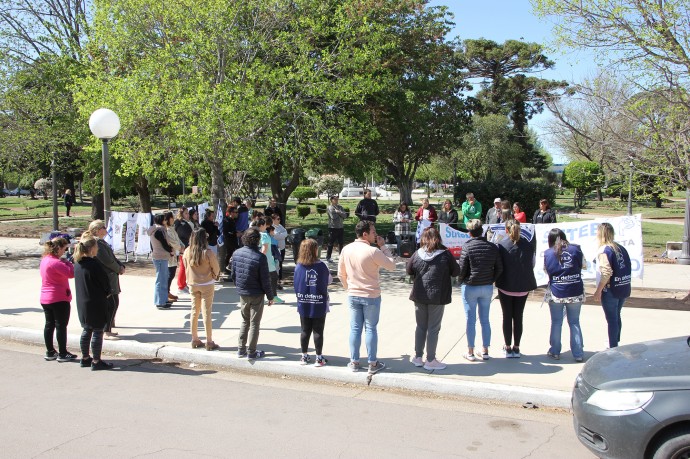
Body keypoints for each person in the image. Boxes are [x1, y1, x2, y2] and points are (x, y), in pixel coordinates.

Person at [337, 220, 395, 374]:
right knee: (370, 328)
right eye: (373, 232)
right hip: (371, 295)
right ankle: (372, 363)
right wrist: (383, 247)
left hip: (353, 294)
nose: (375, 235)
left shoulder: (346, 249)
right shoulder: (373, 251)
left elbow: (340, 273)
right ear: (365, 234)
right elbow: (392, 265)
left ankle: (354, 362)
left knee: (355, 329)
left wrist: (348, 288)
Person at [406, 227, 460, 370]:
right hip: (437, 295)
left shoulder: (417, 253)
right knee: (433, 328)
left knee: (421, 326)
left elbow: (409, 269)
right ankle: (430, 359)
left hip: (419, 294)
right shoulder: (445, 254)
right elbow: (456, 271)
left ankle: (418, 357)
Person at [458, 219, 503, 361]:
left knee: (470, 320)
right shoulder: (492, 247)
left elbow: (462, 269)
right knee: (485, 319)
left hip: (470, 285)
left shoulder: (467, 247)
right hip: (486, 285)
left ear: (469, 232)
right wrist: (491, 279)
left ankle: (470, 351)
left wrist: (461, 280)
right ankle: (485, 350)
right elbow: (499, 268)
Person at [231, 228, 275, 359]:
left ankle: (241, 349)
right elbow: (265, 279)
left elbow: (233, 274)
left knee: (245, 321)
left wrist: (239, 286)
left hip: (243, 292)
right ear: (257, 241)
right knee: (255, 323)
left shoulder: (237, 253)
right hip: (256, 293)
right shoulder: (260, 257)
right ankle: (251, 351)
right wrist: (270, 296)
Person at [495, 220, 537, 358]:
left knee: (507, 316)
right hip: (523, 286)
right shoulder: (529, 245)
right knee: (518, 317)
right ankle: (516, 348)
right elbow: (532, 263)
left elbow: (498, 265)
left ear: (506, 230)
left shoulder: (501, 245)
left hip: (506, 285)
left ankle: (507, 347)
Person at [544, 228, 586, 362]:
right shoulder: (576, 249)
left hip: (557, 291)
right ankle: (578, 353)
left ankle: (555, 351)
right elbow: (584, 265)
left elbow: (546, 270)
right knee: (574, 322)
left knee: (556, 322)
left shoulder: (548, 253)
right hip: (575, 290)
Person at [73, 236, 114, 370]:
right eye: (96, 247)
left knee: (87, 329)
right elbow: (104, 283)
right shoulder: (94, 264)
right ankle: (96, 360)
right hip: (96, 301)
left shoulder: (78, 263)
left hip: (83, 302)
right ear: (91, 249)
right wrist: (108, 293)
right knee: (97, 331)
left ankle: (85, 358)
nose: (97, 249)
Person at [83, 220, 126, 339]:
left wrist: (121, 265)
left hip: (111, 276)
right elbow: (106, 260)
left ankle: (109, 326)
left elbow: (112, 257)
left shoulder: (102, 242)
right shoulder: (97, 243)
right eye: (103, 227)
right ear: (97, 230)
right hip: (107, 277)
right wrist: (118, 268)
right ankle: (106, 330)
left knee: (113, 303)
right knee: (111, 304)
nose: (106, 228)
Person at [294, 238, 332, 366]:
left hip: (303, 301)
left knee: (304, 330)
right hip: (318, 302)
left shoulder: (298, 266)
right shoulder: (321, 265)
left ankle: (304, 356)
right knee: (318, 330)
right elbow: (329, 280)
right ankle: (319, 358)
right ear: (315, 250)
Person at [593, 222, 632, 349]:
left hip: (611, 289)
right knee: (617, 315)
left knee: (612, 319)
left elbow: (606, 272)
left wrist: (598, 290)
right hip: (623, 286)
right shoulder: (620, 247)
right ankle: (615, 340)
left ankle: (613, 345)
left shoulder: (605, 250)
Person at [183, 227, 221, 351]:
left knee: (194, 311)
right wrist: (215, 276)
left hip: (193, 283)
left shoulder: (187, 251)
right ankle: (209, 341)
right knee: (206, 312)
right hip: (207, 283)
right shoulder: (208, 252)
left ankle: (194, 338)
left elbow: (185, 265)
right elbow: (216, 268)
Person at [39, 237, 76, 362]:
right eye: (64, 249)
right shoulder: (56, 262)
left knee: (49, 325)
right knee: (61, 325)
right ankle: (63, 353)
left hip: (45, 298)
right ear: (58, 248)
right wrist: (69, 262)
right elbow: (71, 274)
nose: (64, 252)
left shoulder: (45, 260)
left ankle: (50, 351)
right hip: (59, 298)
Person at [147, 213, 174, 309]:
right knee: (161, 279)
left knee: (163, 278)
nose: (166, 221)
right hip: (160, 257)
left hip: (159, 256)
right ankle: (159, 301)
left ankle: (163, 299)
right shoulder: (159, 230)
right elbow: (164, 243)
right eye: (164, 219)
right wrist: (170, 250)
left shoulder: (154, 229)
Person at [164, 212, 183, 302]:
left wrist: (182, 246)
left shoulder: (172, 228)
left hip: (175, 253)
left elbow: (177, 239)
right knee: (169, 274)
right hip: (170, 254)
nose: (173, 219)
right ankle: (165, 292)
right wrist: (180, 247)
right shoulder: (167, 230)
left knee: (172, 273)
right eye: (172, 218)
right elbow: (172, 241)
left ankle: (168, 291)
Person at [174, 206, 193, 294]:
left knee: (185, 266)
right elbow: (184, 235)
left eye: (188, 213)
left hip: (187, 246)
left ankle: (183, 284)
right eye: (186, 213)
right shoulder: (180, 223)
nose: (188, 215)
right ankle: (180, 286)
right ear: (181, 214)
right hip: (183, 248)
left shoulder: (184, 222)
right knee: (183, 266)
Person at [326, 195, 347, 263]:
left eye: (337, 199)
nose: (337, 200)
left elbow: (345, 215)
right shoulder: (330, 207)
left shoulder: (340, 207)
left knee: (341, 243)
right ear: (331, 200)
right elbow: (333, 217)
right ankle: (328, 257)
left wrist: (338, 212)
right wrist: (340, 214)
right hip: (333, 227)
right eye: (335, 199)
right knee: (331, 243)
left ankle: (341, 256)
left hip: (340, 227)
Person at [271, 213, 288, 286]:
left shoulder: (280, 226)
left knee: (281, 264)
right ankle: (276, 280)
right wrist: (282, 235)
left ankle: (280, 279)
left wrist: (282, 235)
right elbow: (276, 236)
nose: (279, 220)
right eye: (278, 219)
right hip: (276, 249)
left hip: (282, 248)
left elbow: (286, 233)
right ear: (273, 220)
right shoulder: (272, 227)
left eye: (279, 218)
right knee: (276, 264)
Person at [222, 205, 239, 274]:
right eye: (235, 212)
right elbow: (226, 232)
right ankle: (226, 268)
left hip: (234, 240)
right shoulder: (226, 220)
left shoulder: (233, 220)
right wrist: (235, 234)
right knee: (229, 254)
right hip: (229, 241)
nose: (237, 213)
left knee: (232, 254)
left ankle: (230, 268)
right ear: (231, 213)